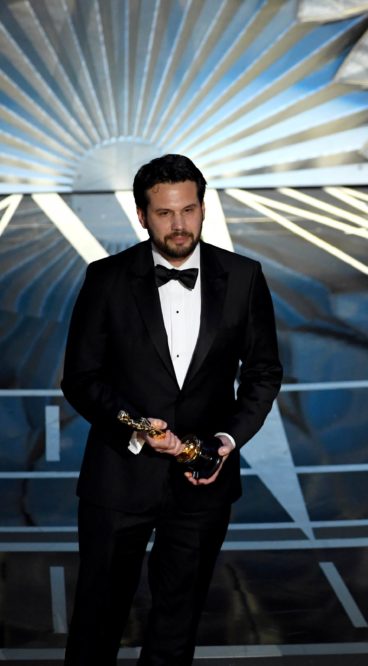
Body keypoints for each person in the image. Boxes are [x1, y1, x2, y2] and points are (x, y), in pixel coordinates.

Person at [61, 154, 283, 665]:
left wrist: (224, 443)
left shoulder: (245, 277)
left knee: (177, 624)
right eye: (164, 213)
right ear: (142, 215)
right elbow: (80, 378)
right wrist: (137, 428)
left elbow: (263, 373)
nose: (179, 225)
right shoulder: (106, 279)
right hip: (119, 478)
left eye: (188, 210)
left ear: (204, 208)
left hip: (203, 481)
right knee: (98, 620)